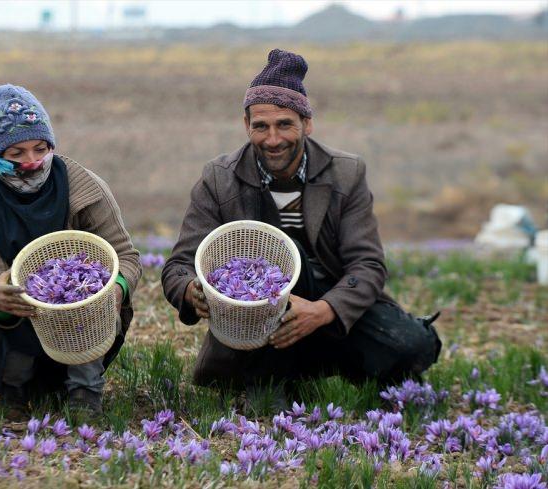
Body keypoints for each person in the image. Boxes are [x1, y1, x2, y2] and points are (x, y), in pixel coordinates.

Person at [161, 49, 441, 410]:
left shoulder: (346, 173)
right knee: (280, 266)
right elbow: (178, 265)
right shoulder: (220, 178)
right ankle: (273, 378)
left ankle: (339, 369)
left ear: (307, 123)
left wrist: (323, 311)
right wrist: (189, 290)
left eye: (285, 124)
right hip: (257, 320)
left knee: (410, 345)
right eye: (261, 126)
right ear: (246, 126)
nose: (272, 139)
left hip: (329, 304)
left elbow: (367, 266)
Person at [0, 84, 141, 418]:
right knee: (8, 311)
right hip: (17, 316)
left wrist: (116, 289)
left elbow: (127, 256)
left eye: (40, 148)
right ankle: (14, 389)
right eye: (16, 154)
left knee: (87, 306)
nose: (32, 162)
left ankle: (84, 391)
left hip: (81, 314)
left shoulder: (83, 186)